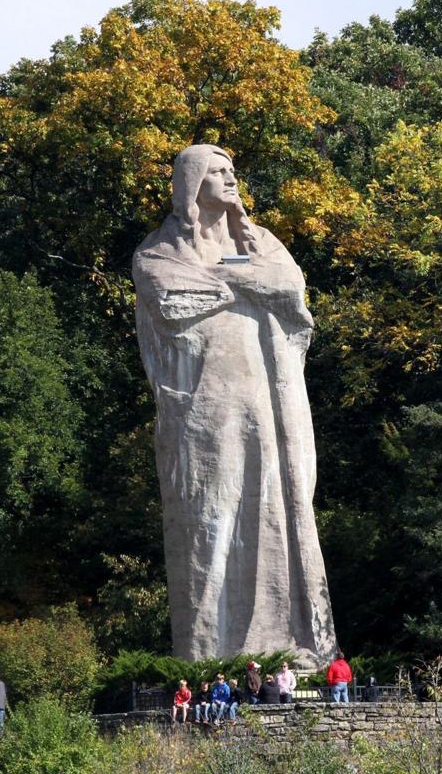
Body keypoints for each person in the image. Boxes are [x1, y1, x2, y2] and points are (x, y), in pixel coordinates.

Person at [133, 144, 338, 664]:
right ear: (191, 182)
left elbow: (289, 289)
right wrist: (242, 283)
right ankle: (212, 655)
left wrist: (230, 277)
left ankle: (291, 643)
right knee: (212, 517)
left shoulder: (262, 242)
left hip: (271, 405)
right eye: (217, 171)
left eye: (231, 170)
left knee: (279, 509)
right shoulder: (159, 251)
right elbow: (174, 297)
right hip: (205, 411)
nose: (229, 178)